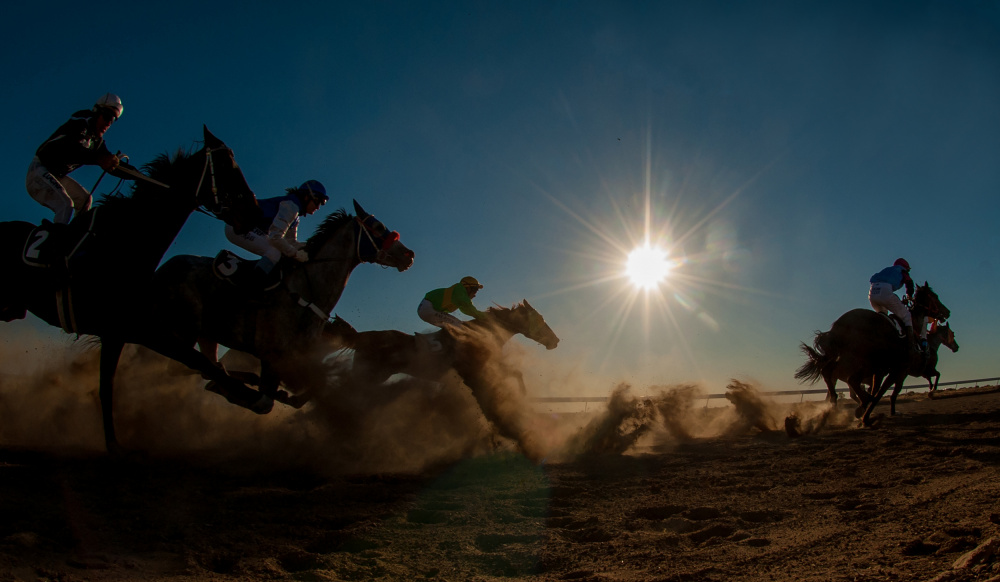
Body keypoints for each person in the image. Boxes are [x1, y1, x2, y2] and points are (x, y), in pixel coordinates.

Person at [27, 94, 124, 224]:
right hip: (39, 170)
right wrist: (99, 159)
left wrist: (142, 177)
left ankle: (74, 236)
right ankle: (55, 242)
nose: (108, 123)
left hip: (57, 175)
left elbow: (109, 163)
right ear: (96, 112)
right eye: (107, 116)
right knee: (66, 205)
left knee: (85, 200)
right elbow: (72, 150)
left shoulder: (97, 143)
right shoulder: (79, 122)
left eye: (112, 120)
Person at [224, 180, 328, 286]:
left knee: (280, 251)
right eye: (318, 202)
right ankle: (251, 287)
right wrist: (295, 253)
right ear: (307, 197)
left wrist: (310, 247)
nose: (318, 207)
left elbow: (290, 242)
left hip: (249, 228)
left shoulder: (295, 214)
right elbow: (275, 238)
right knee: (274, 252)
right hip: (238, 226)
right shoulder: (291, 206)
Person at [869, 257, 926, 351]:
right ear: (905, 267)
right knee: (907, 316)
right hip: (885, 292)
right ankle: (911, 345)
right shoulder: (902, 271)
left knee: (883, 314)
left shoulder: (886, 270)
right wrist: (909, 296)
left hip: (872, 293)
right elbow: (909, 282)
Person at [418, 276, 490, 329]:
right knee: (461, 327)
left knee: (455, 325)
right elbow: (471, 310)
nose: (475, 294)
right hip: (428, 309)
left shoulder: (459, 293)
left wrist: (481, 315)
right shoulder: (460, 294)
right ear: (468, 288)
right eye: (475, 290)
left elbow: (466, 310)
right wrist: (488, 317)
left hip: (427, 308)